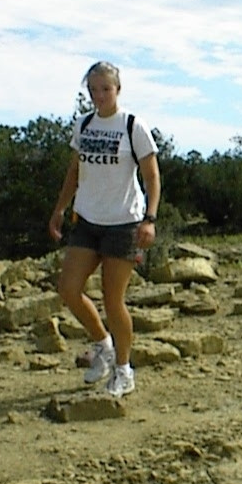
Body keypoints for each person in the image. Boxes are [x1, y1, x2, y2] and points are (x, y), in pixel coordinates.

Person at [49, 61, 161, 398]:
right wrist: (59, 208)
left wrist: (150, 218)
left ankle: (124, 370)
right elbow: (74, 171)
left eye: (105, 89)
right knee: (69, 288)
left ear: (117, 90)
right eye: (93, 89)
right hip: (87, 219)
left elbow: (152, 176)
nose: (98, 96)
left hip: (123, 223)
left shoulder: (132, 126)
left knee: (114, 300)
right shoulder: (83, 125)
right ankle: (103, 345)